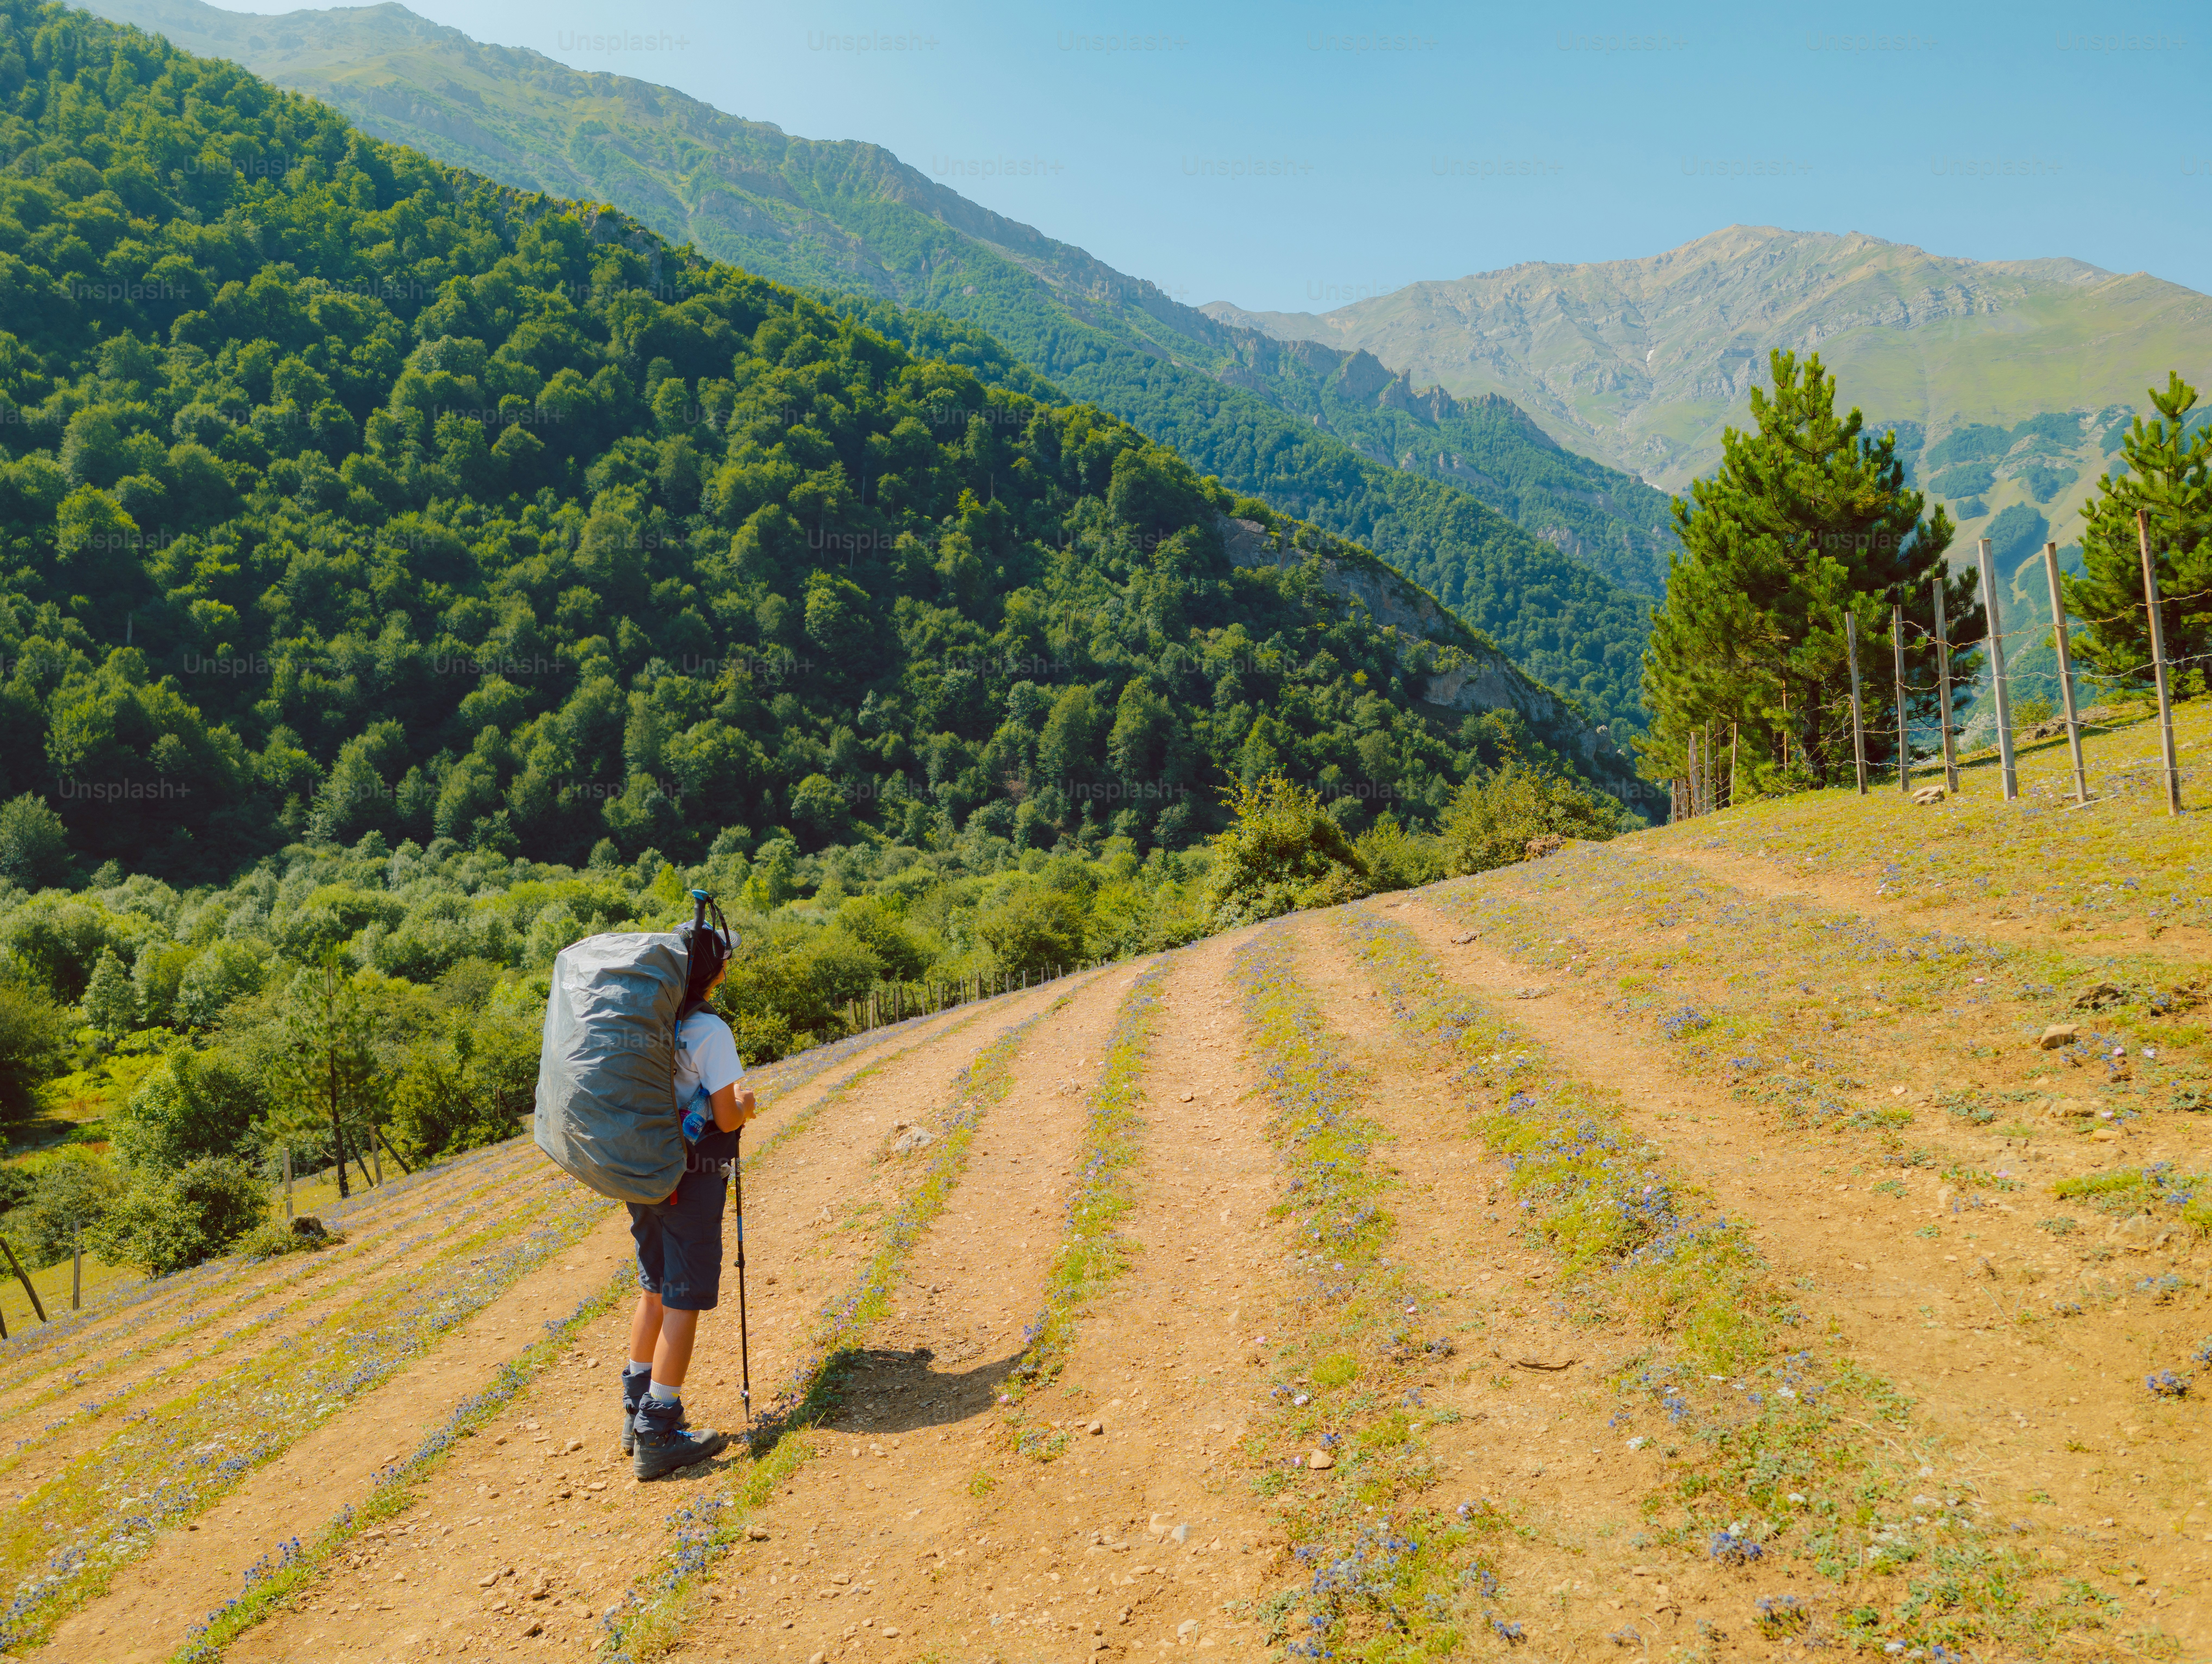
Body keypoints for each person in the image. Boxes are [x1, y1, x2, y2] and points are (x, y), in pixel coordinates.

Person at [620, 920, 756, 1479]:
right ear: (716, 971)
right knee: (683, 1299)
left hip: (644, 1172)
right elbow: (725, 1115)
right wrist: (747, 1103)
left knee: (654, 1288)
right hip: (692, 1178)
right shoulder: (709, 1031)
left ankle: (634, 1410)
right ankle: (660, 1428)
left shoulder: (647, 1022)